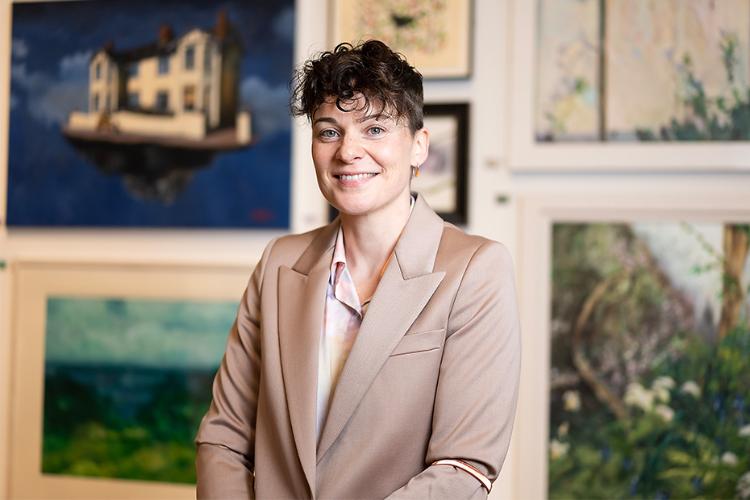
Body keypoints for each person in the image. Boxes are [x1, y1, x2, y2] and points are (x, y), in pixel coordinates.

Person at [195, 40, 521, 499]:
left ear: (418, 146)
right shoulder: (278, 263)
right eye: (329, 131)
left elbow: (463, 467)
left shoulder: (477, 270)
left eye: (374, 129)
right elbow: (224, 438)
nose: (348, 151)